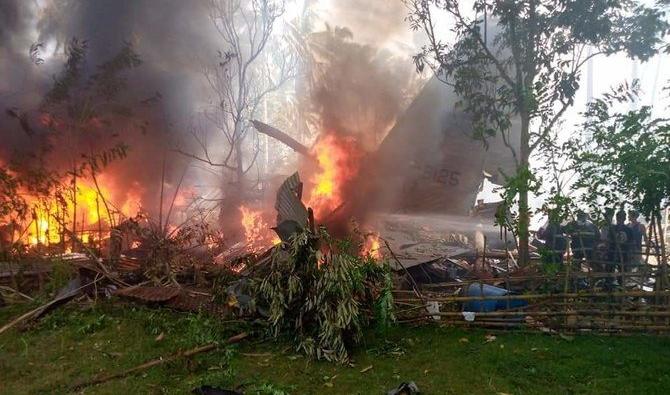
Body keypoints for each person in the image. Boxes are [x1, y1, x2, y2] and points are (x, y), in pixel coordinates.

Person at [607, 210, 635, 285]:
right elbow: (608, 240)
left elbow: (631, 242)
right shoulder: (612, 228)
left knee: (622, 270)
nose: (620, 219)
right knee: (610, 270)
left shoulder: (628, 230)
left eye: (622, 217)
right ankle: (609, 285)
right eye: (619, 217)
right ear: (617, 218)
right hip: (612, 252)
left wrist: (630, 253)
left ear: (625, 218)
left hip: (623, 253)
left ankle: (620, 285)